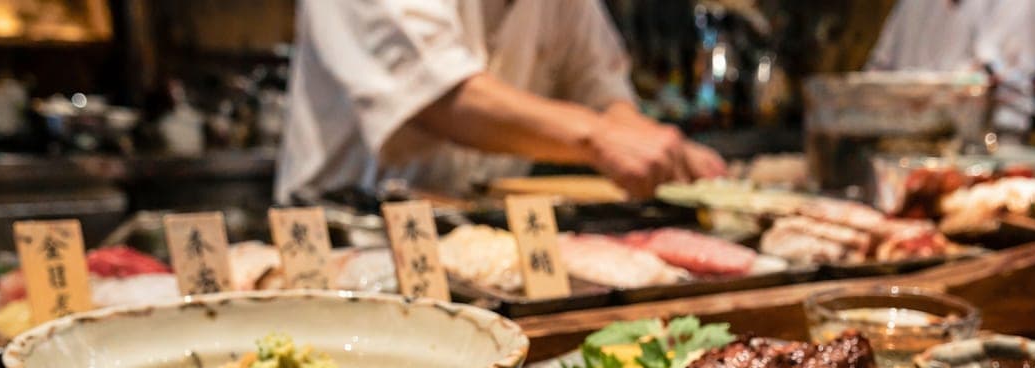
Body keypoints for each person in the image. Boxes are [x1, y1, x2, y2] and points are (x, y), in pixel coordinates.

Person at [276, 0, 725, 202]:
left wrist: (647, 143)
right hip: (344, 232)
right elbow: (443, 96)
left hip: (476, 236)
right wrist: (602, 138)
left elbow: (602, 88)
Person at [866, 0, 1035, 137]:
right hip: (896, 138)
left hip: (986, 141)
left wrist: (922, 94)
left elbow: (992, 72)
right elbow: (879, 67)